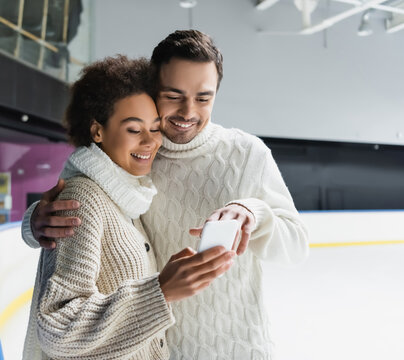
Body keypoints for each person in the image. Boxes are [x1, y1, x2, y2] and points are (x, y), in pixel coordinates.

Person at [23, 30, 309, 359]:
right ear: (152, 90)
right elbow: (82, 194)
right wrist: (34, 222)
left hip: (239, 347)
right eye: (173, 95)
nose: (188, 111)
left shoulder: (247, 154)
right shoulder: (137, 157)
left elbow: (296, 246)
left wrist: (254, 213)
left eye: (203, 98)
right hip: (161, 348)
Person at [22, 55, 236, 360]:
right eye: (134, 130)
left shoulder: (127, 195)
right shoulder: (85, 197)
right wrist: (161, 292)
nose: (150, 142)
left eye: (155, 128)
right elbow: (59, 328)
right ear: (97, 132)